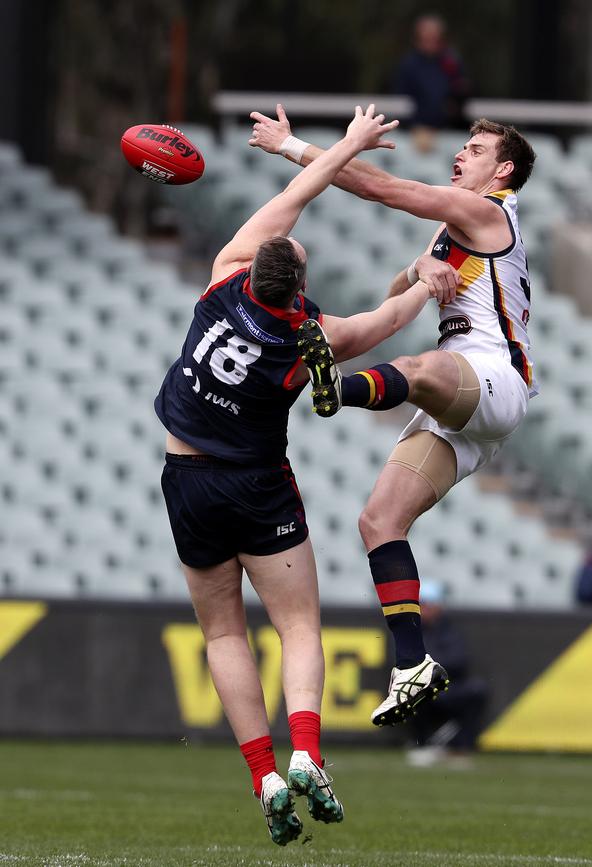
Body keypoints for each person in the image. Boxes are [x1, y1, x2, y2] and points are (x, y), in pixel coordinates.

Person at [154, 106, 441, 846]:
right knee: (298, 624)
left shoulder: (221, 281)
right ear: (299, 284)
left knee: (223, 634)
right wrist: (427, 284)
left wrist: (335, 149)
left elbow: (295, 197)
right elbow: (383, 323)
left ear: (256, 267)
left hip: (187, 479)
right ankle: (308, 752)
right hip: (259, 484)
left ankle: (267, 778)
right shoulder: (313, 337)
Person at [249, 106, 537, 728]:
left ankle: (333, 389)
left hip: (492, 378)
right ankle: (413, 663)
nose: (462, 154)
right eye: (464, 145)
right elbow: (392, 298)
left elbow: (385, 188)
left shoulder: (488, 211)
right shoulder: (454, 232)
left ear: (504, 170)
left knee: (424, 365)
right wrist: (415, 271)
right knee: (378, 520)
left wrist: (292, 146)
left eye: (477, 149)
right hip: (463, 400)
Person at [405, 580, 488, 766]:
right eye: (421, 604)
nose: (424, 609)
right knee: (414, 691)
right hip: (422, 685)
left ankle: (458, 747)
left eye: (428, 604)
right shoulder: (408, 629)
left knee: (477, 690)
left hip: (448, 684)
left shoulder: (450, 630)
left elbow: (460, 660)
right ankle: (422, 743)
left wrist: (432, 665)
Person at [394, 14, 470, 153]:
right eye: (426, 38)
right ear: (417, 39)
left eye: (435, 38)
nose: (431, 42)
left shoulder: (451, 62)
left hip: (449, 132)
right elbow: (402, 101)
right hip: (415, 135)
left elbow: (461, 91)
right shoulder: (409, 65)